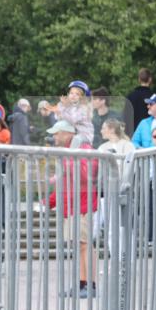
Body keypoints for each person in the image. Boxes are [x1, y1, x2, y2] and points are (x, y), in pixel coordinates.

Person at [47, 120, 98, 298]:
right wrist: (50, 201)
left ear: (67, 133)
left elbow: (89, 174)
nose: (54, 136)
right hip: (71, 204)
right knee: (79, 245)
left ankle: (91, 285)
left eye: (57, 133)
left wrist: (68, 166)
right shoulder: (68, 151)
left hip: (81, 204)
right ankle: (82, 283)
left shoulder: (82, 147)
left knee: (84, 244)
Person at [58, 80, 94, 145]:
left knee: (76, 139)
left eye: (77, 94)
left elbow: (72, 120)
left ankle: (71, 155)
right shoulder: (72, 106)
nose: (73, 95)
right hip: (75, 133)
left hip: (85, 135)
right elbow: (60, 118)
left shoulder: (83, 108)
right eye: (71, 93)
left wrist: (63, 108)